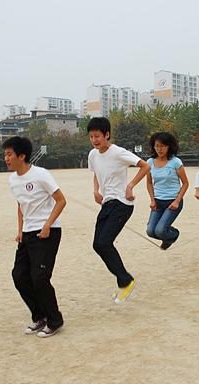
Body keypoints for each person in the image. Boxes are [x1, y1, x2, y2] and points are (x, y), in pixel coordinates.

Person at [3, 136, 66, 338]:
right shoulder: (13, 180)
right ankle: (40, 317)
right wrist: (20, 230)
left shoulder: (40, 174)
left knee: (40, 277)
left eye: (9, 154)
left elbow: (61, 200)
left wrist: (47, 225)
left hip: (47, 231)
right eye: (5, 155)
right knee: (19, 276)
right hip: (28, 233)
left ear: (22, 156)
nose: (6, 158)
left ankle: (55, 320)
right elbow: (21, 205)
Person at [87, 117, 151, 304]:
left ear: (107, 134)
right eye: (91, 136)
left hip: (122, 204)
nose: (94, 140)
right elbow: (96, 173)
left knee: (104, 242)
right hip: (107, 203)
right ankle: (124, 280)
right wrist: (96, 191)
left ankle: (126, 281)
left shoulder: (118, 152)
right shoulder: (93, 154)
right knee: (97, 244)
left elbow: (145, 166)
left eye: (97, 136)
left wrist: (130, 186)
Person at [145, 132, 189, 250]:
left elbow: (185, 183)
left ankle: (174, 234)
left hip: (173, 201)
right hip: (158, 201)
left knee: (160, 230)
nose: (159, 149)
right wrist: (152, 200)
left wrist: (177, 201)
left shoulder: (175, 162)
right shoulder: (150, 162)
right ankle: (168, 236)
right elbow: (149, 183)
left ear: (169, 146)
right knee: (150, 231)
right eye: (157, 146)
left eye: (162, 146)